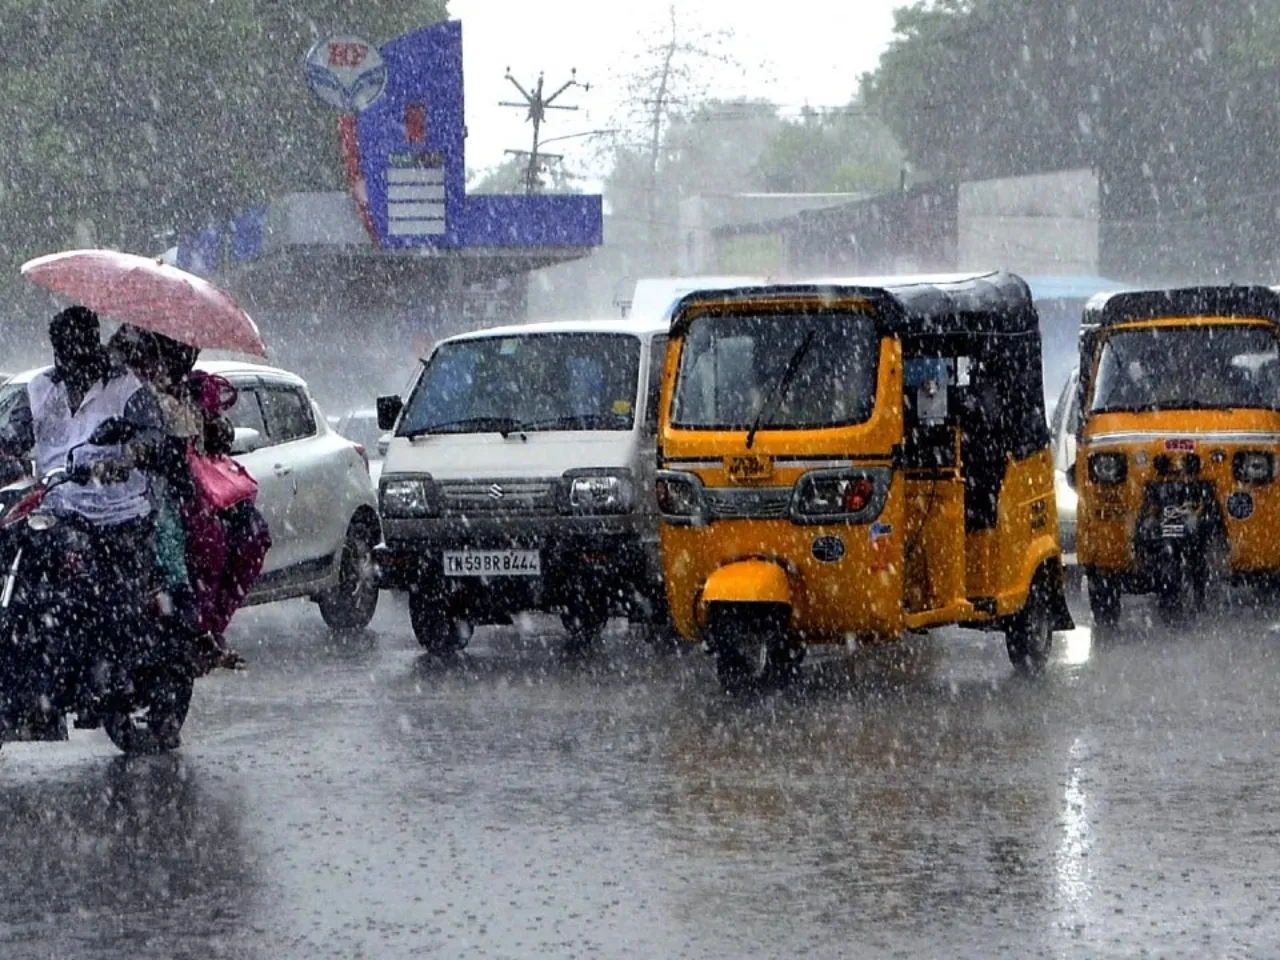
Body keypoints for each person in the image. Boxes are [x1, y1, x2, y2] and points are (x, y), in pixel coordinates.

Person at [0, 306, 165, 708]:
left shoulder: (125, 388)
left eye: (79, 348)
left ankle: (114, 671)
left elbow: (153, 435)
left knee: (104, 595)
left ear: (92, 344)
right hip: (58, 505)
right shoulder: (40, 389)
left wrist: (125, 459)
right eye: (64, 350)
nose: (72, 359)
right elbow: (10, 436)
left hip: (117, 511)